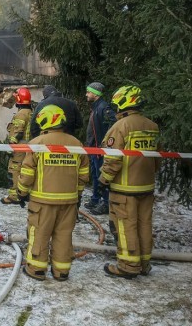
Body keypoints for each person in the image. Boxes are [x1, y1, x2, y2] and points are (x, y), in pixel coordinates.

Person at [17, 105, 89, 281]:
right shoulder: (76, 143)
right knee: (64, 235)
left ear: (44, 121)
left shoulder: (37, 144)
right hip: (69, 202)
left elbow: (27, 173)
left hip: (42, 202)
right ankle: (61, 271)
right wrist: (77, 195)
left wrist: (21, 192)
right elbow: (84, 174)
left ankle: (36, 269)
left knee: (39, 234)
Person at [98, 85, 160, 279]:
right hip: (146, 186)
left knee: (125, 226)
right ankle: (144, 264)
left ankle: (128, 266)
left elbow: (113, 158)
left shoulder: (121, 127)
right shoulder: (152, 126)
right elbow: (157, 158)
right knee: (144, 224)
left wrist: (103, 180)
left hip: (124, 189)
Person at [83, 82, 116, 215]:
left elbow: (113, 124)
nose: (86, 94)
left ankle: (105, 202)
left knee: (101, 176)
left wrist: (105, 143)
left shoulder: (103, 107)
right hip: (93, 149)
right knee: (96, 175)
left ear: (95, 94)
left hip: (99, 150)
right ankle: (95, 199)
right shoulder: (96, 107)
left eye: (88, 92)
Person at [1, 88, 33, 205]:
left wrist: (11, 148)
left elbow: (17, 133)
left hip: (19, 148)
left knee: (14, 170)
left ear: (19, 99)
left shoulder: (21, 114)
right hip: (29, 147)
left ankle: (14, 196)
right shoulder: (31, 112)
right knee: (26, 171)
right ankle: (25, 193)